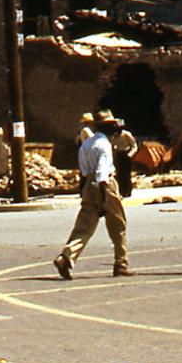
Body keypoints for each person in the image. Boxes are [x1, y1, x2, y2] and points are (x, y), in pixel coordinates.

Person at [53, 109, 134, 280]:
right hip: (105, 186)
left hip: (88, 185)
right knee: (118, 225)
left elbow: (84, 170)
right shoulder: (104, 145)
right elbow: (103, 173)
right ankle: (121, 263)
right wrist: (104, 199)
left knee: (84, 225)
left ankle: (67, 256)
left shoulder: (86, 144)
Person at [112, 119, 138, 198]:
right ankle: (122, 191)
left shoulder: (127, 134)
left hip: (126, 155)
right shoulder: (115, 136)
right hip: (119, 155)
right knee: (120, 174)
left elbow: (134, 145)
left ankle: (128, 191)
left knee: (127, 174)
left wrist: (130, 154)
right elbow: (113, 146)